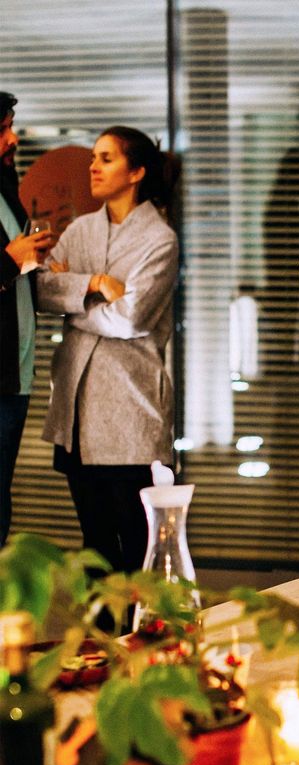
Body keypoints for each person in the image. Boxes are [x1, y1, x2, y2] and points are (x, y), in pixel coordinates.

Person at [37, 126, 178, 572]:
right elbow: (40, 290)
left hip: (129, 416)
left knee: (138, 551)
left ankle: (139, 622)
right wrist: (96, 284)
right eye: (93, 158)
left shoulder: (160, 239)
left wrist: (72, 300)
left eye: (106, 158)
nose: (93, 167)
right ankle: (101, 621)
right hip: (76, 413)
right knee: (94, 546)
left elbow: (131, 318)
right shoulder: (80, 230)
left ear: (136, 172)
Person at [0, 91, 55, 544]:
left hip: (14, 374)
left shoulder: (4, 184)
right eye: (2, 129)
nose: (13, 138)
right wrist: (8, 260)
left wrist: (33, 261)